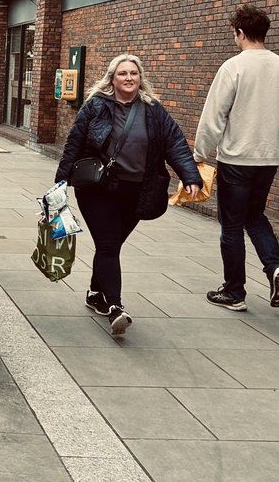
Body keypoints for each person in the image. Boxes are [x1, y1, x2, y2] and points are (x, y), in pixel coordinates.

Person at [55, 53, 201, 336]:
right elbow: (74, 143)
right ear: (112, 78)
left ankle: (96, 294)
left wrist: (190, 176)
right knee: (109, 245)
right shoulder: (96, 106)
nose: (129, 78)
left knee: (110, 245)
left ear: (140, 77)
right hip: (98, 189)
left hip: (137, 191)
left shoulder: (153, 110)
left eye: (134, 73)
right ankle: (116, 307)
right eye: (123, 73)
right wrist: (60, 184)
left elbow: (175, 143)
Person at [193, 5, 279, 312]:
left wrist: (199, 155)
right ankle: (276, 270)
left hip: (236, 160)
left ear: (239, 33)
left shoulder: (234, 67)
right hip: (269, 159)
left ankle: (234, 291)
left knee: (230, 224)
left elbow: (213, 118)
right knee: (255, 216)